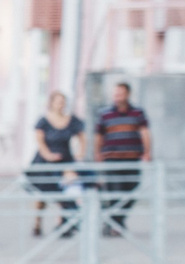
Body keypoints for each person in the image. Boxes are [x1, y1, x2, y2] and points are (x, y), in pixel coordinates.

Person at [93, 80, 153, 236]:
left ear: (128, 94)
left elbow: (145, 132)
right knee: (115, 191)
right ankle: (115, 224)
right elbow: (99, 135)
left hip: (132, 158)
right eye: (115, 93)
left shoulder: (138, 113)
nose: (117, 96)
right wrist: (97, 153)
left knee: (131, 191)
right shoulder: (105, 113)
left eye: (120, 93)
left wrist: (147, 152)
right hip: (112, 158)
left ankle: (115, 222)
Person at [30, 91, 84, 238]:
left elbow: (82, 136)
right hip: (45, 162)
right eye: (58, 101)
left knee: (65, 192)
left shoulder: (71, 120)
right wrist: (48, 155)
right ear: (51, 103)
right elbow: (39, 140)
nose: (61, 104)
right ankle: (37, 223)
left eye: (63, 101)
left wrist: (80, 153)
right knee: (42, 194)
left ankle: (63, 223)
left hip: (65, 160)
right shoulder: (44, 120)